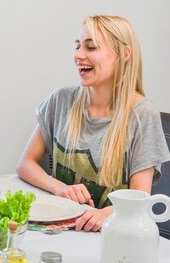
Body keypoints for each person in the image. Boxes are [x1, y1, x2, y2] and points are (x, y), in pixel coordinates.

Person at [16, 15, 170, 232]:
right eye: (78, 46)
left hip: (111, 234)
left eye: (91, 47)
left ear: (125, 54)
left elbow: (140, 198)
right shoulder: (60, 100)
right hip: (59, 232)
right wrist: (59, 188)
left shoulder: (143, 114)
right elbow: (25, 164)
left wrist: (108, 214)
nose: (78, 55)